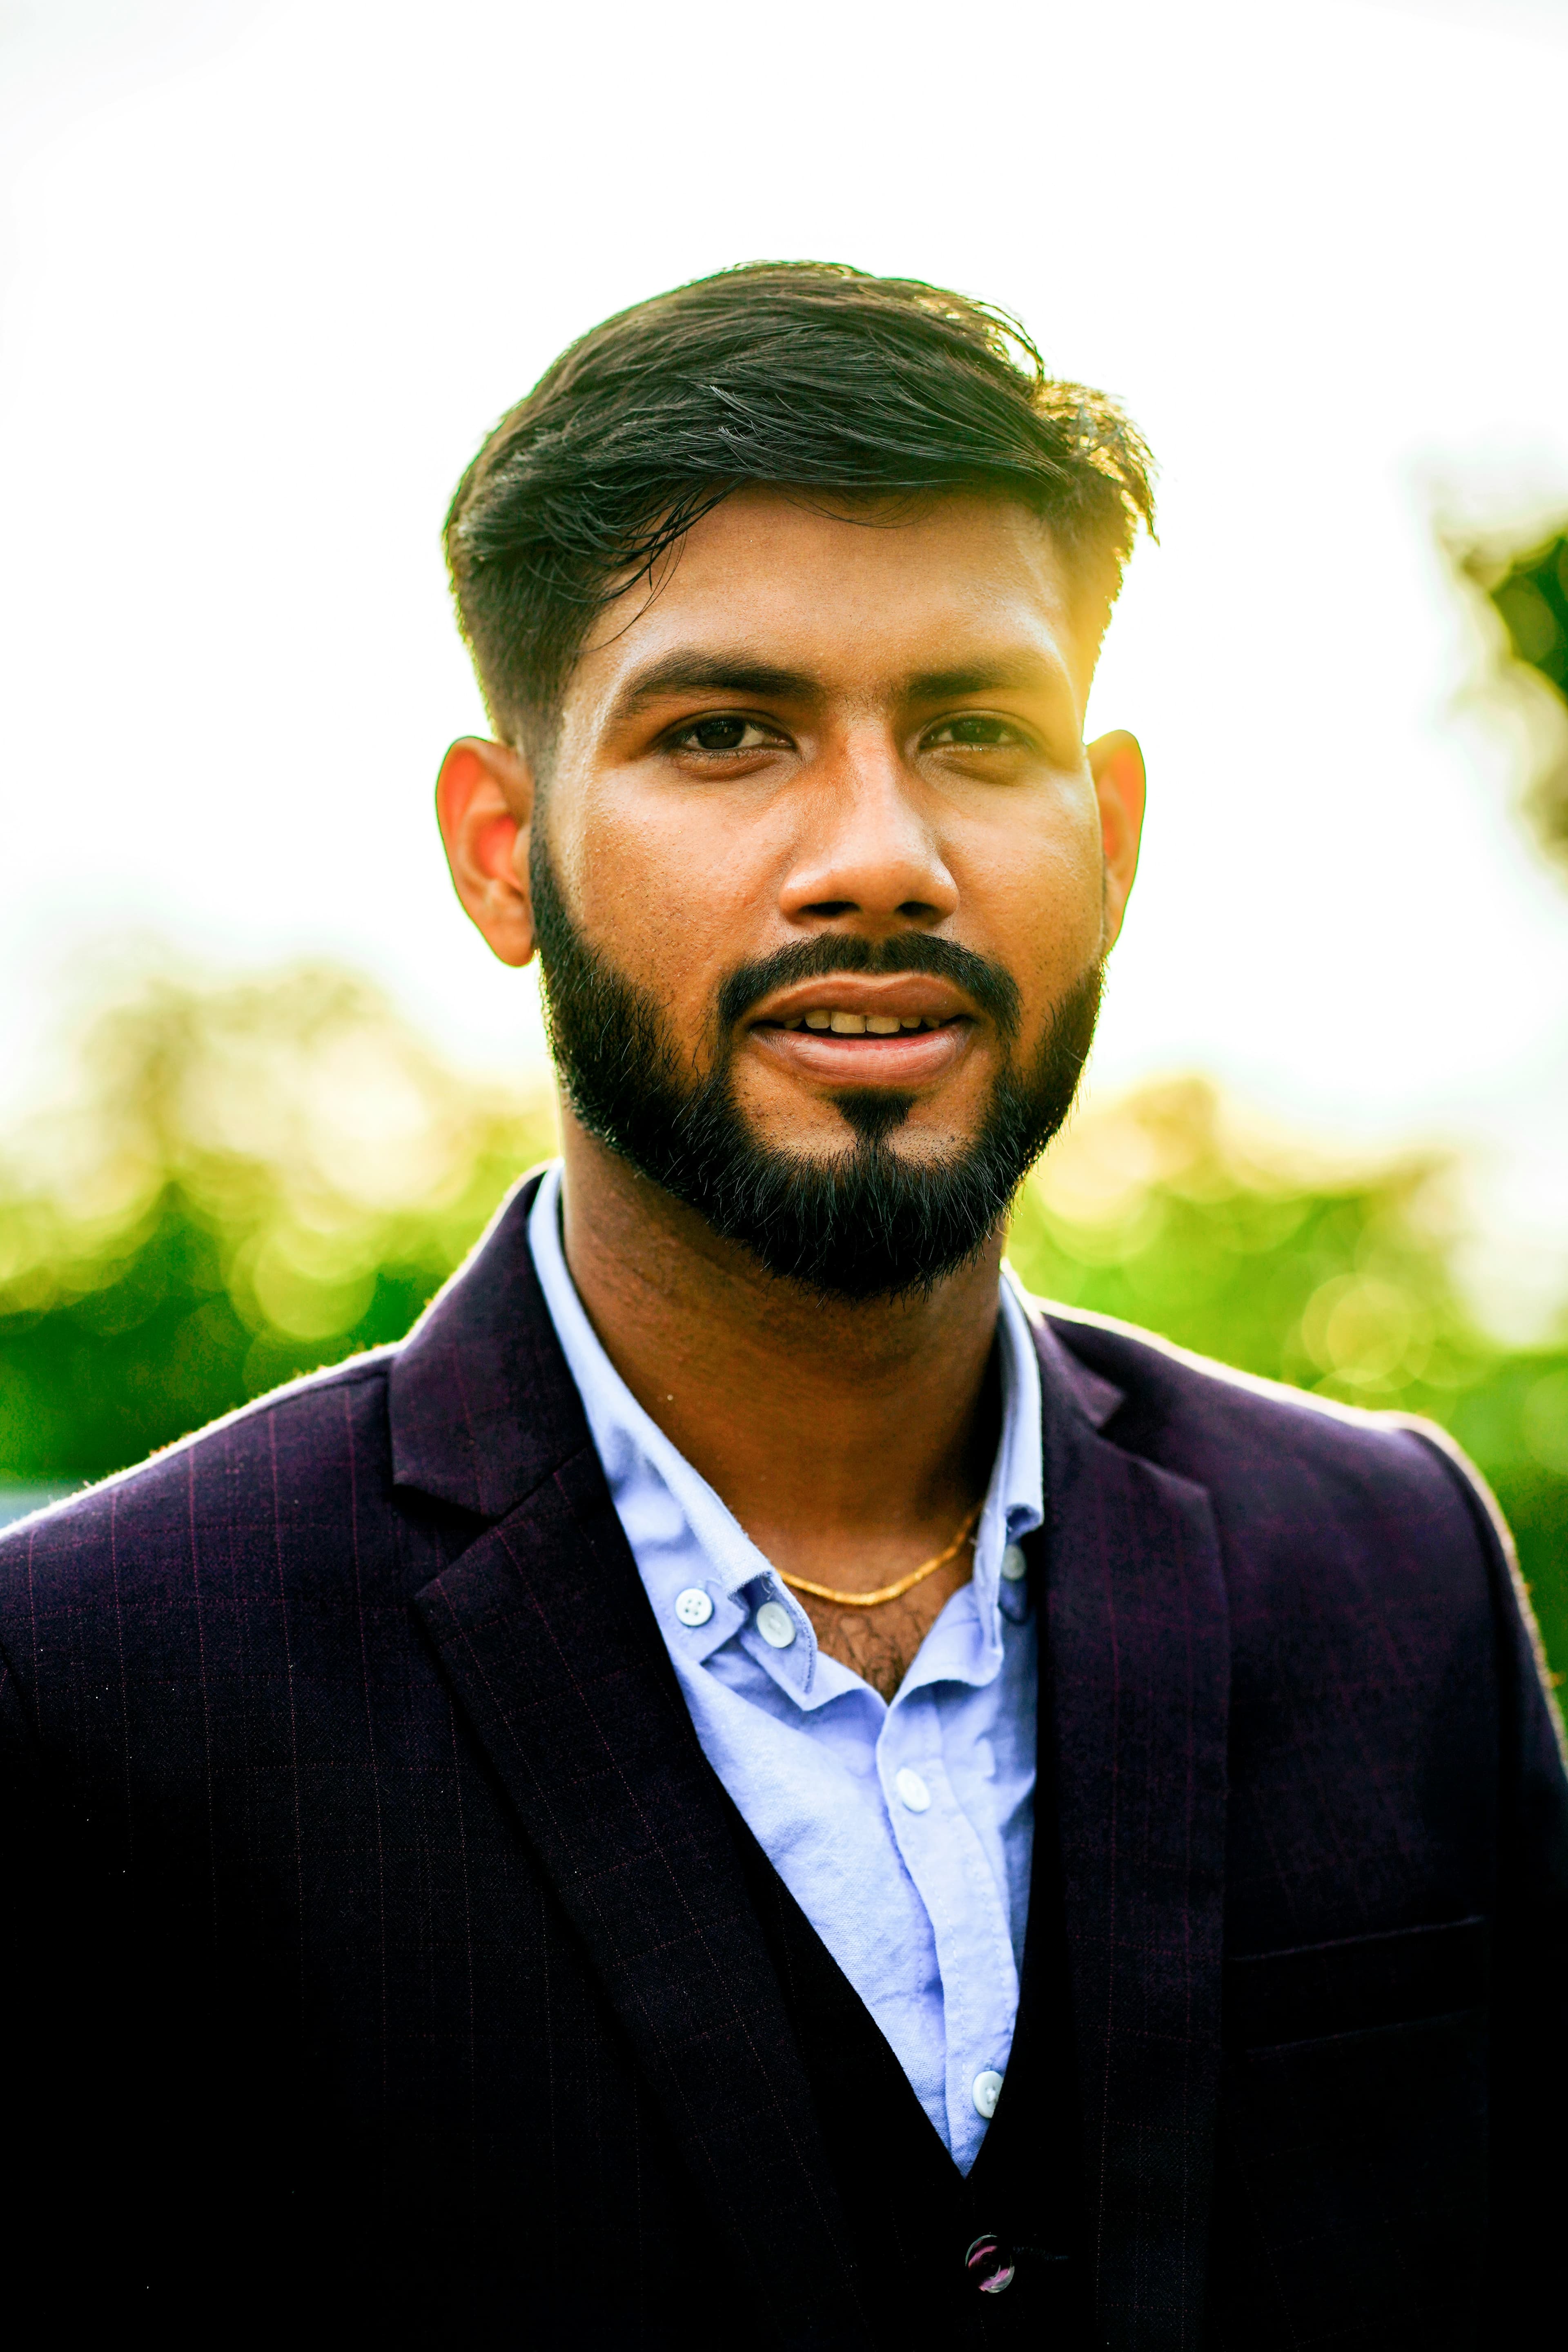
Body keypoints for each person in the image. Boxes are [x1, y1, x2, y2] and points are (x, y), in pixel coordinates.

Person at [2, 263, 1563, 2350]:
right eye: (726, 733)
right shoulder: (95, 1686)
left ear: (1107, 840)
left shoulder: (1393, 1572)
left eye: (972, 733)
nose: (879, 855)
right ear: (501, 853)